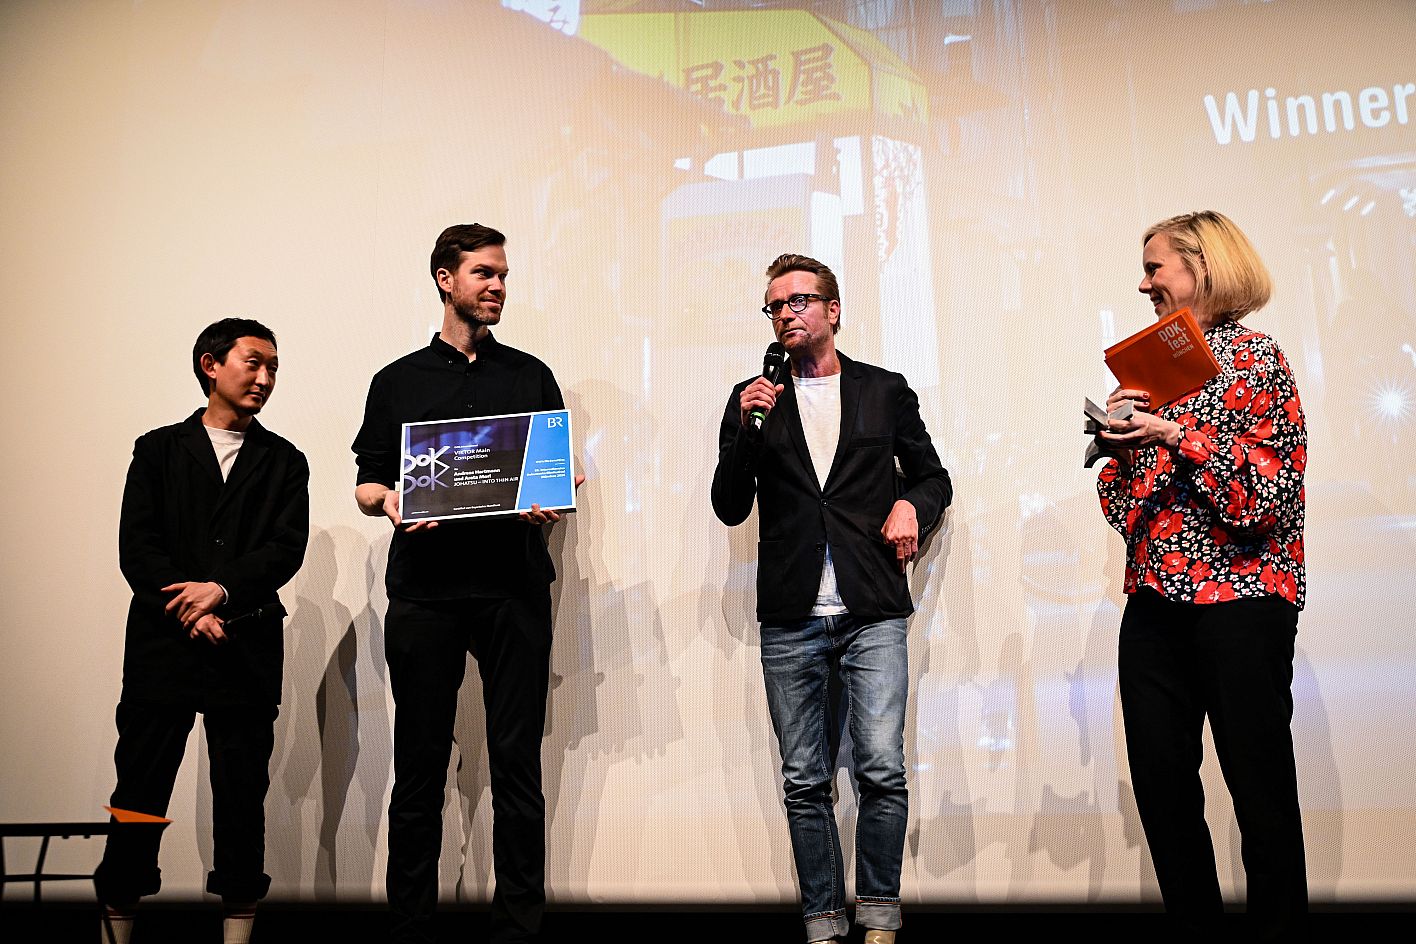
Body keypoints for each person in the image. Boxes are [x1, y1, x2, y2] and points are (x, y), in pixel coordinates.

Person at [712, 254, 952, 944]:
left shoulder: (883, 390)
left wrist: (910, 505)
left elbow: (934, 478)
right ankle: (822, 918)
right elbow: (729, 505)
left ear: (833, 310)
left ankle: (878, 911)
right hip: (792, 613)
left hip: (871, 606)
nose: (786, 313)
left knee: (881, 768)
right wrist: (746, 429)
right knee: (804, 779)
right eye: (775, 305)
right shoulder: (752, 397)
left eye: (799, 300)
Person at [352, 223, 579, 943]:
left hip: (513, 586)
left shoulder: (530, 374)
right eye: (484, 273)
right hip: (426, 590)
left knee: (516, 764)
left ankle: (519, 926)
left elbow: (558, 468)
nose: (498, 286)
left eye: (503, 275)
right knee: (419, 765)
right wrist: (389, 502)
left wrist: (558, 487)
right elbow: (367, 482)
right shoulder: (396, 381)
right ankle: (410, 925)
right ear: (445, 279)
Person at [1097, 211, 1309, 940]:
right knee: (1161, 787)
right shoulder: (1153, 369)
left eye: (1155, 267)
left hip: (1242, 599)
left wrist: (1173, 432)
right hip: (1155, 600)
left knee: (1259, 788)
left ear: (1203, 267)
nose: (1143, 284)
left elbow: (1265, 499)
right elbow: (1127, 512)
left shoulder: (1256, 360)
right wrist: (1119, 446)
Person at [94, 318, 310, 944]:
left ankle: (237, 930)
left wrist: (220, 591)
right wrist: (192, 607)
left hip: (245, 646)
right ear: (211, 365)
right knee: (139, 786)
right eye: (253, 362)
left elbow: (284, 549)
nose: (265, 378)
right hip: (163, 647)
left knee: (241, 794)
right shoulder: (158, 450)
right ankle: (118, 918)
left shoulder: (284, 460)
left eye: (273, 367)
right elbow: (138, 547)